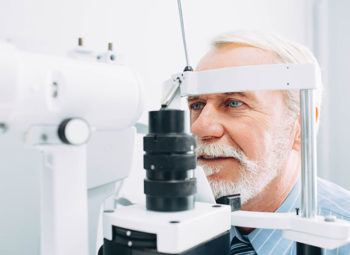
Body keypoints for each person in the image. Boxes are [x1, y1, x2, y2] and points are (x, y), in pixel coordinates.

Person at [189, 30, 350, 254]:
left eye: (234, 103)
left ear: (301, 125)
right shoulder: (177, 226)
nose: (200, 128)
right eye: (196, 105)